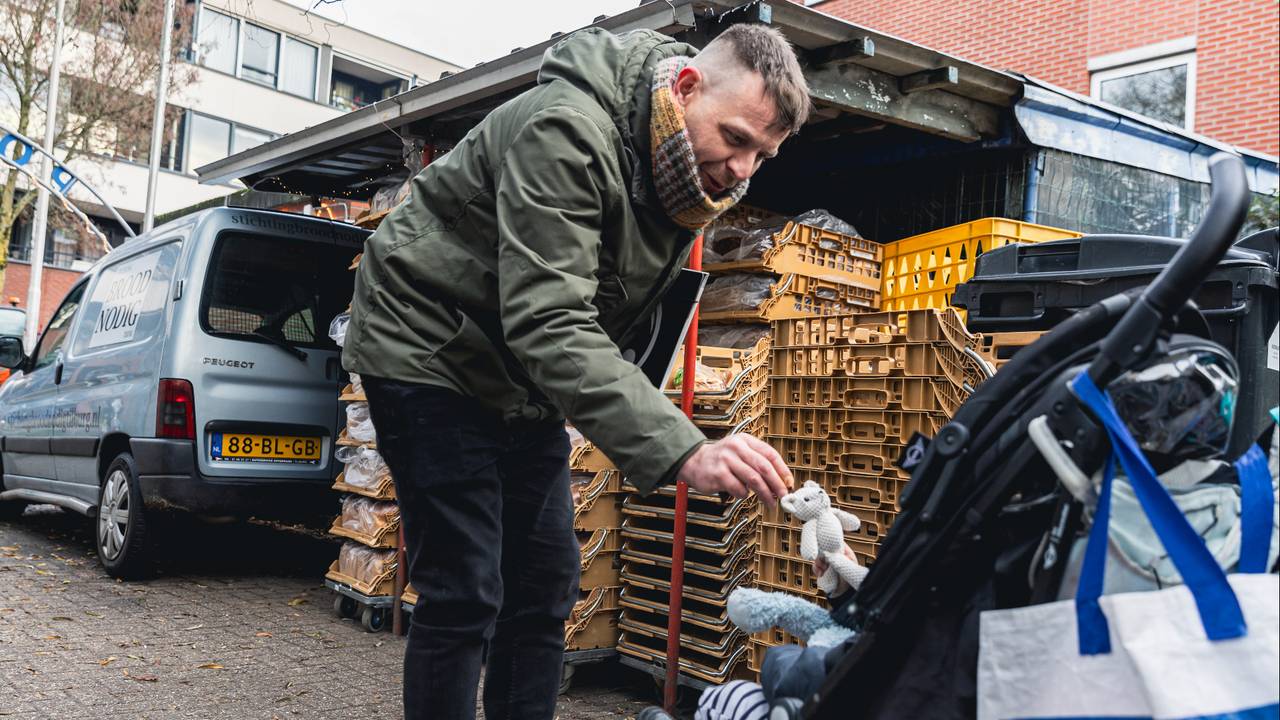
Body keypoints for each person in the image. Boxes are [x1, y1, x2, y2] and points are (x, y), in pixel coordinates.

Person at [342, 23, 811, 720]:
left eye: (762, 156)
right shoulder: (568, 133)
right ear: (684, 89)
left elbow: (606, 316)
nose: (743, 170)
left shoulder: (679, 174)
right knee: (466, 587)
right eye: (737, 138)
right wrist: (685, 448)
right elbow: (550, 320)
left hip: (514, 368)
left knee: (544, 583)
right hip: (426, 343)